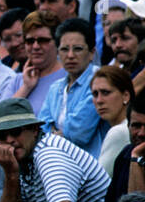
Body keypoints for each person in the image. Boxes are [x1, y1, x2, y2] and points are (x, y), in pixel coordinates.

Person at [0, 96, 115, 202]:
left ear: (35, 130)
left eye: (16, 132)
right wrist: (11, 175)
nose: (10, 140)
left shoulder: (48, 152)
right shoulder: (23, 161)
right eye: (3, 136)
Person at [38, 17, 103, 156]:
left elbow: (80, 132)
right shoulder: (55, 88)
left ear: (92, 53)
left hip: (90, 165)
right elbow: (40, 130)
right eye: (64, 49)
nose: (70, 55)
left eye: (78, 49)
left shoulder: (100, 80)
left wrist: (56, 132)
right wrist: (60, 134)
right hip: (58, 161)